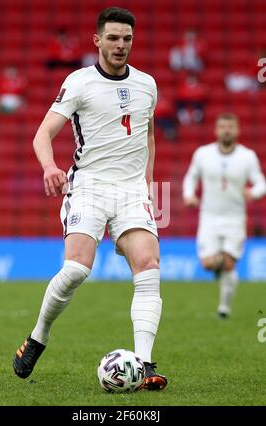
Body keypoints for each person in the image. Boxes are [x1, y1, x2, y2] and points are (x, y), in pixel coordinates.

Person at [13, 7, 167, 391]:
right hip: (89, 187)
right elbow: (42, 134)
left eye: (127, 39)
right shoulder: (79, 82)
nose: (120, 45)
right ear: (97, 40)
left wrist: (147, 187)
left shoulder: (147, 84)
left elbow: (147, 137)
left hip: (131, 191)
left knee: (148, 267)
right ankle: (37, 337)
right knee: (77, 269)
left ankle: (146, 364)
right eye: (113, 38)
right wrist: (50, 167)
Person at [183, 113, 266, 318]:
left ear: (237, 130)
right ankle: (220, 271)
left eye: (230, 127)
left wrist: (253, 192)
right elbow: (190, 178)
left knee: (229, 264)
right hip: (209, 218)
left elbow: (261, 183)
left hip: (235, 219)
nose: (226, 130)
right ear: (216, 130)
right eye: (222, 127)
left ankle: (224, 308)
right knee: (208, 263)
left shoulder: (247, 156)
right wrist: (189, 195)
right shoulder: (203, 154)